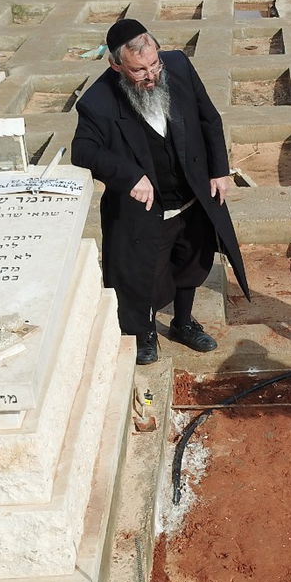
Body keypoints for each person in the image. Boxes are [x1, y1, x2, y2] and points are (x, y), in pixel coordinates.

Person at [72, 18, 249, 365]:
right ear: (116, 64)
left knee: (193, 263)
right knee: (144, 274)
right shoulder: (97, 101)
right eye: (139, 70)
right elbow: (83, 151)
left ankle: (183, 322)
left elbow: (209, 119)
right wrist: (128, 175)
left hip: (193, 195)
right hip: (147, 209)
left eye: (154, 64)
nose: (151, 75)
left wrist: (217, 170)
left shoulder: (179, 66)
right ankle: (146, 332)